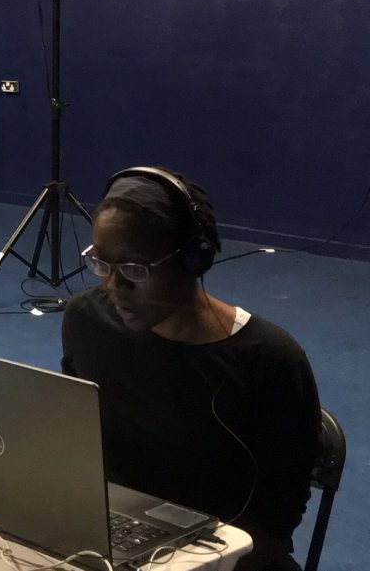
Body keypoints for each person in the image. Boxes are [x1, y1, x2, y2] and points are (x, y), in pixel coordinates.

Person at [61, 166, 321, 571]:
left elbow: (275, 522)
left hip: (222, 553)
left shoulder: (270, 359)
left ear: (192, 260)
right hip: (112, 540)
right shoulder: (86, 320)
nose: (114, 286)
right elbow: (73, 440)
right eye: (102, 264)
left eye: (135, 270)